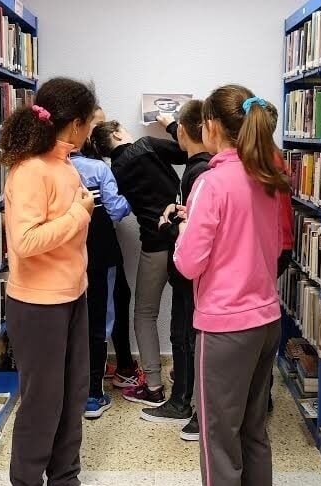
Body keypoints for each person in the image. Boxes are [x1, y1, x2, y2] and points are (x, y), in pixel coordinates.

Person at [173, 85, 289, 486]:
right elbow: (267, 245)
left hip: (225, 326)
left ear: (210, 127)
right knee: (254, 429)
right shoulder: (267, 177)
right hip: (266, 319)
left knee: (218, 437)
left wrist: (184, 227)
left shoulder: (212, 181)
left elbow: (188, 264)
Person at [0, 77, 97, 486]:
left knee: (73, 395)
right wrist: (79, 213)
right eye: (89, 121)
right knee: (42, 401)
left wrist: (77, 211)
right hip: (38, 303)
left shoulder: (64, 162)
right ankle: (26, 480)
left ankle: (64, 476)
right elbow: (25, 241)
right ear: (74, 123)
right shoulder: (30, 170)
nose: (92, 130)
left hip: (73, 294)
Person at [90, 119, 187, 405]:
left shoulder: (114, 171)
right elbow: (186, 151)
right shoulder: (148, 145)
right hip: (184, 238)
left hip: (154, 243)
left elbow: (117, 208)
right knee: (186, 309)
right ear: (118, 133)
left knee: (145, 313)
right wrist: (172, 125)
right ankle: (184, 376)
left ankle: (153, 386)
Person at [137, 101, 211, 442]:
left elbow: (194, 233)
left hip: (189, 272)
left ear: (184, 131)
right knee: (181, 336)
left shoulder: (200, 171)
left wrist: (167, 225)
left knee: (185, 338)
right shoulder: (199, 164)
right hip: (188, 273)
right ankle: (183, 401)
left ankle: (186, 405)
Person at [69, 109, 137, 419]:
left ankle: (72, 389)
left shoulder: (52, 168)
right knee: (101, 321)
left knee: (71, 321)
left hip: (65, 255)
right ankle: (93, 396)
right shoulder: (98, 169)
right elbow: (117, 209)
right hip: (100, 253)